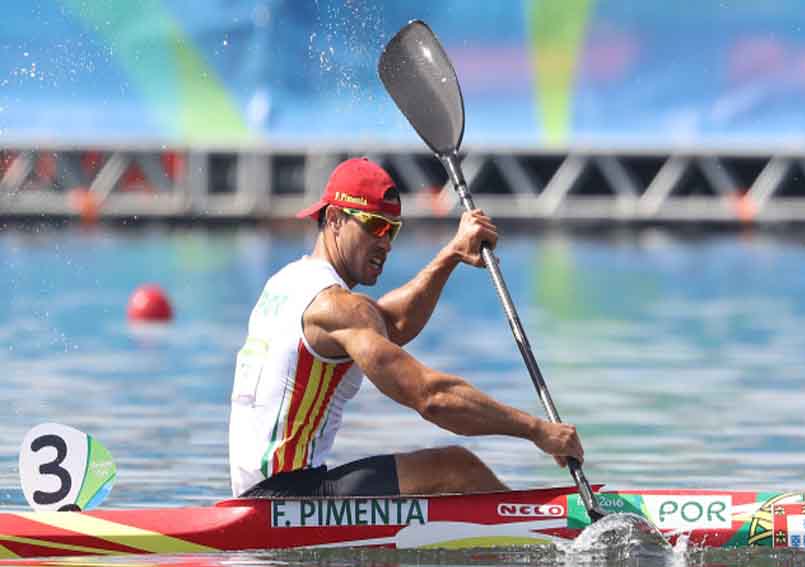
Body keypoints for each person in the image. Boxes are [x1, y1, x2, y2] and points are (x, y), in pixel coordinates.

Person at [229, 157, 584, 498]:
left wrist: (452, 255)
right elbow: (432, 399)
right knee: (455, 467)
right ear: (335, 218)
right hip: (285, 499)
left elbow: (391, 322)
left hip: (258, 493)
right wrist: (538, 431)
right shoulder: (336, 307)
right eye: (375, 226)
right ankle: (546, 532)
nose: (385, 243)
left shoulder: (287, 283)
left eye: (393, 230)